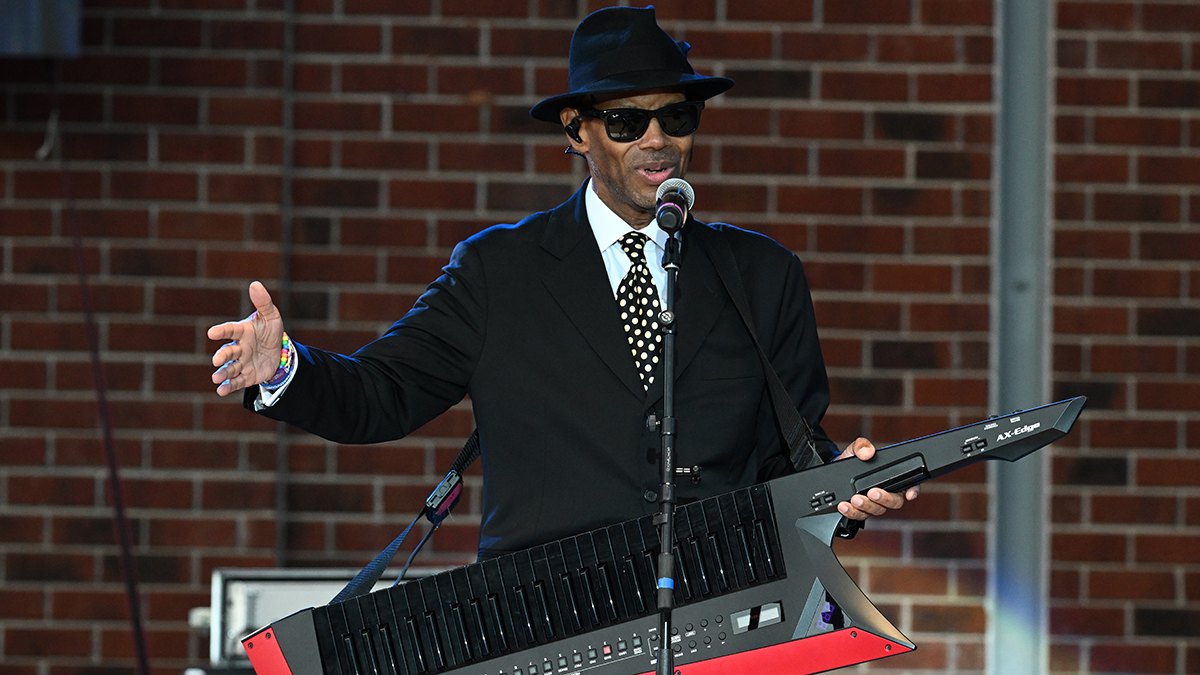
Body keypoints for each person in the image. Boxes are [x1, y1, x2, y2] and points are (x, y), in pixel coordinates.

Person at [207, 6, 918, 560]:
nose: (658, 139)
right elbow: (380, 396)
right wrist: (283, 370)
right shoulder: (499, 271)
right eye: (626, 120)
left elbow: (789, 456)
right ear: (576, 132)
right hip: (547, 618)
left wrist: (841, 482)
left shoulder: (764, 275)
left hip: (718, 605)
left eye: (676, 115)